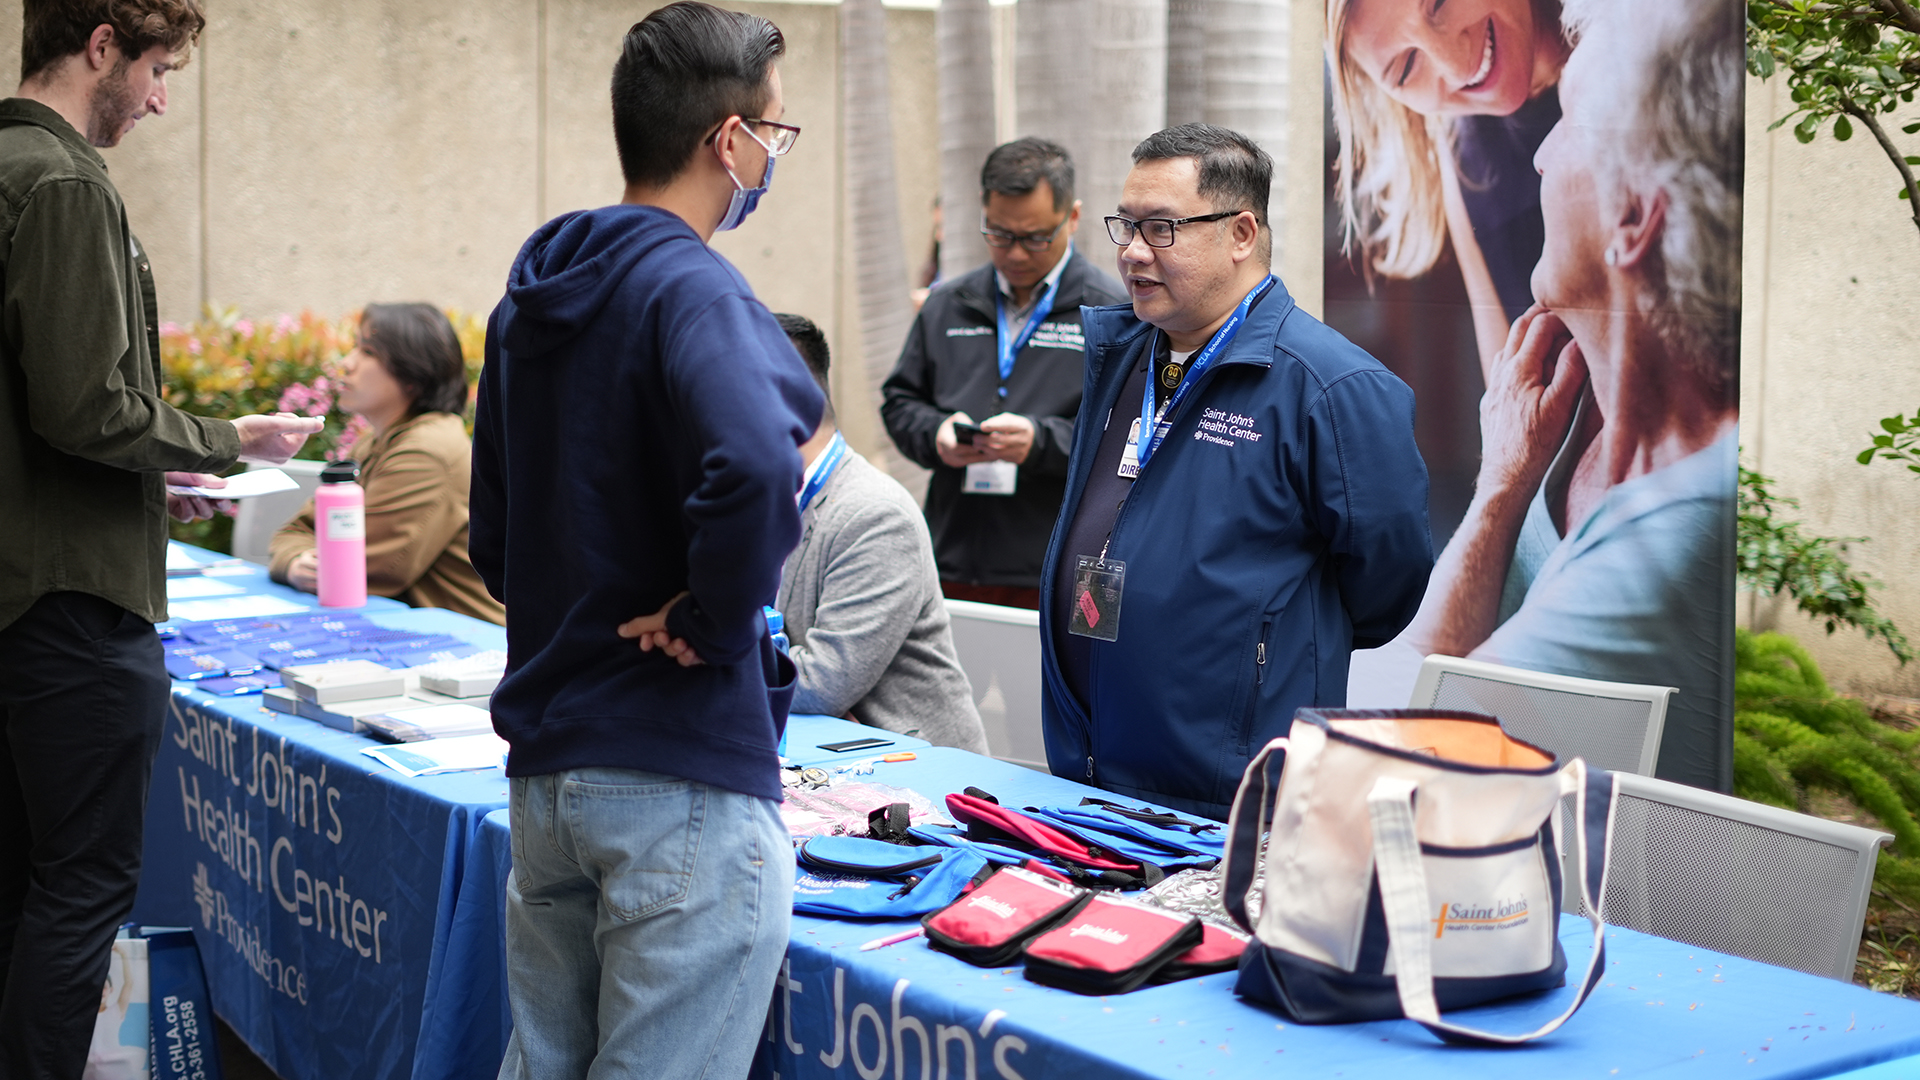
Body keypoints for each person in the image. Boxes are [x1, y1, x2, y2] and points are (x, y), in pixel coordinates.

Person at [468, 5, 822, 1077]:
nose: (773, 152)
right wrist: (712, 621)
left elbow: (496, 539)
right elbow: (763, 463)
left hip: (550, 776)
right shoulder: (692, 285)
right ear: (728, 139)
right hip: (677, 778)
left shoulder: (530, 301)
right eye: (773, 130)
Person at [0, 4, 322, 1076]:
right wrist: (230, 438)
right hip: (73, 616)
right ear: (101, 46)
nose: (159, 98)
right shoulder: (62, 186)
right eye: (155, 70)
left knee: (34, 889)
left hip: (32, 598)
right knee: (80, 892)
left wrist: (156, 476)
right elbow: (86, 407)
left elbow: (47, 417)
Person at [1039, 124, 1434, 820]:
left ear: (1242, 233)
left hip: (1227, 793)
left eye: (1161, 228)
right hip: (1088, 771)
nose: (1132, 252)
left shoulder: (1331, 386)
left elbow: (1385, 583)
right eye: (1126, 226)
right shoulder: (1125, 356)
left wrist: (1267, 641)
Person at [1399, 0, 1743, 790]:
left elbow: (1386, 770)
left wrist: (1497, 490)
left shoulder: (1681, 524)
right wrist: (1504, 482)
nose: (1540, 155)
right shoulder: (1552, 443)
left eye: (1570, 122)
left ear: (1635, 215)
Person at [882, 137, 1126, 609]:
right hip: (953, 559)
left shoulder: (1112, 313)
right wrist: (938, 434)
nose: (1015, 254)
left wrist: (1039, 443)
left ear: (1071, 219)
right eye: (998, 234)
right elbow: (900, 402)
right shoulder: (949, 303)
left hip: (1062, 569)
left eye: (1035, 237)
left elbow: (1129, 440)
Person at [774, 314, 989, 753]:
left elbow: (819, 685)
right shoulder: (764, 496)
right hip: (825, 754)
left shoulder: (874, 513)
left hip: (918, 779)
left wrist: (705, 652)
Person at [1329, 0, 1570, 369]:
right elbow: (1508, 397)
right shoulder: (1464, 162)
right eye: (1406, 68)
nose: (1457, 67)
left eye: (1440, 3)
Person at [269, 303, 504, 625]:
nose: (347, 364)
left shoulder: (427, 452)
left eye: (368, 352)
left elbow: (358, 570)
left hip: (469, 644)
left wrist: (303, 564)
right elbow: (297, 531)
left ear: (413, 371)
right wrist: (295, 562)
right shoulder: (379, 440)